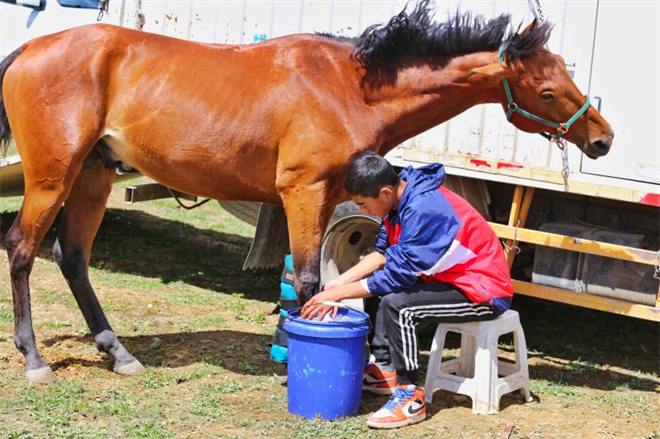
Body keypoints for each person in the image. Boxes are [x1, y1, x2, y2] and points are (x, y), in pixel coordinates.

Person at [301, 151, 513, 429]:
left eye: (363, 205)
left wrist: (339, 295)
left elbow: (396, 277)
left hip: (483, 290)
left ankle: (410, 395)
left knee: (399, 305)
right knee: (374, 288)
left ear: (385, 192)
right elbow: (382, 255)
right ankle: (385, 370)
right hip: (449, 278)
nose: (362, 212)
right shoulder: (398, 203)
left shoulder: (424, 209)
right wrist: (337, 283)